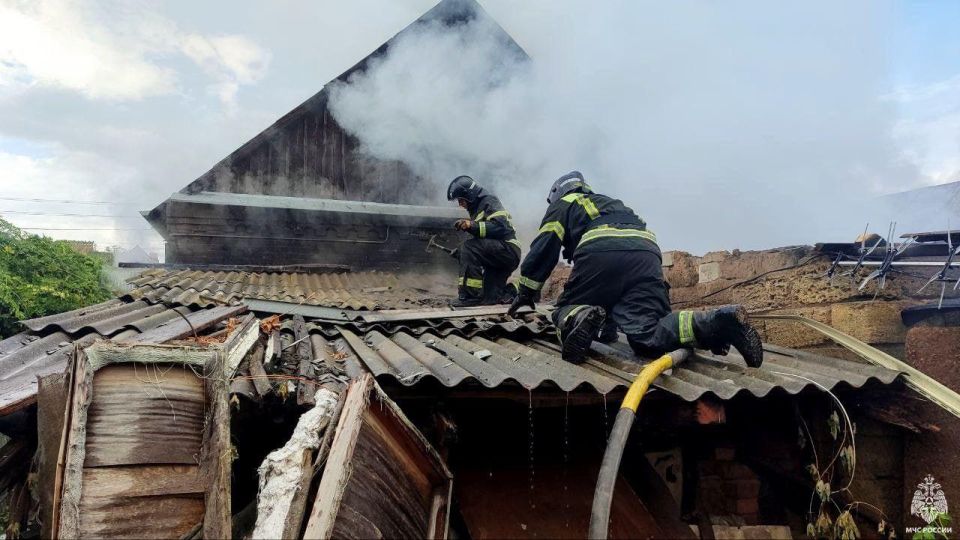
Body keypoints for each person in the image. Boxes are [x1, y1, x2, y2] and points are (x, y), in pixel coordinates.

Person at [507, 171, 763, 366]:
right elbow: (614, 280)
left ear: (556, 193)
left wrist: (527, 291)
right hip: (647, 254)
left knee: (564, 308)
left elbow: (545, 246)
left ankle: (580, 316)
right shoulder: (612, 203)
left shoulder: (565, 203)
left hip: (601, 250)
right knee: (647, 335)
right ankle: (718, 322)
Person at [447, 175, 522, 307]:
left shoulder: (489, 200)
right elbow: (481, 243)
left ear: (469, 194)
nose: (460, 204)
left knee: (468, 248)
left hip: (508, 250)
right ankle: (518, 292)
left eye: (461, 199)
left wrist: (471, 226)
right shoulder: (476, 209)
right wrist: (461, 253)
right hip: (498, 256)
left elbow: (500, 227)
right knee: (489, 298)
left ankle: (469, 296)